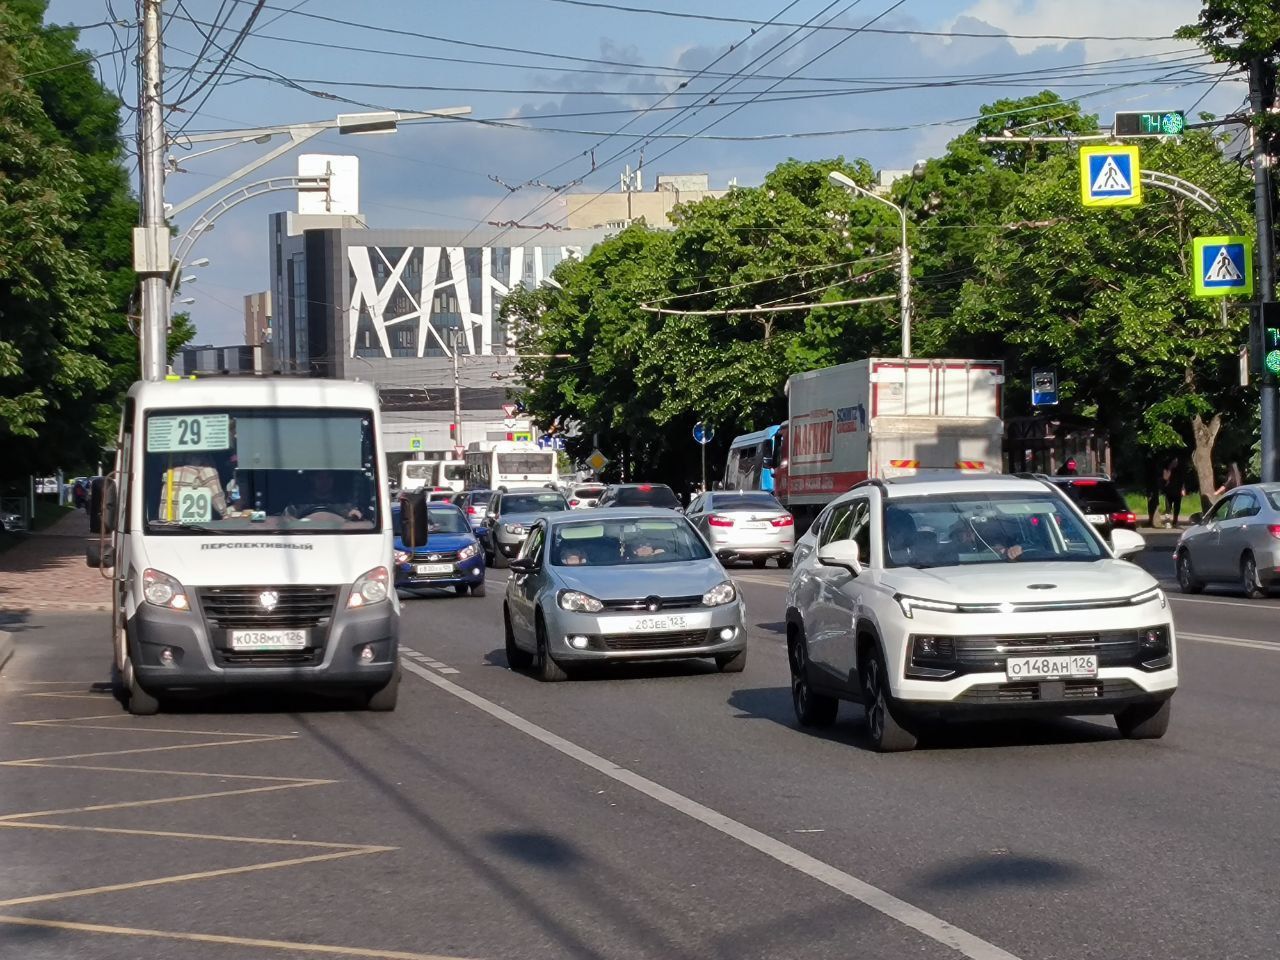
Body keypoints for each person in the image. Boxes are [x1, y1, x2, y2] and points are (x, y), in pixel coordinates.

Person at [156, 453, 229, 521]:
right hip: (187, 524)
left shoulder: (170, 457)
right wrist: (224, 514)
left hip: (165, 520)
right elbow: (215, 492)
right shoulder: (203, 458)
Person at [287, 471, 365, 521]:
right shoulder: (298, 503)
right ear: (312, 479)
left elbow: (356, 520)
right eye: (320, 478)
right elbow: (285, 521)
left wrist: (355, 516)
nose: (325, 481)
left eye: (329, 477)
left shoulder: (346, 503)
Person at [1160, 457, 1186, 528]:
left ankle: (1175, 522)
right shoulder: (1166, 470)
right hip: (1169, 492)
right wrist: (1170, 469)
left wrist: (1183, 489)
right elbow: (1165, 479)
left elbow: (1182, 480)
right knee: (1168, 508)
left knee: (1177, 507)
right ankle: (1168, 522)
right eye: (1174, 462)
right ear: (1171, 463)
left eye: (1176, 462)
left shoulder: (1179, 470)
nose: (1176, 463)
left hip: (1177, 491)